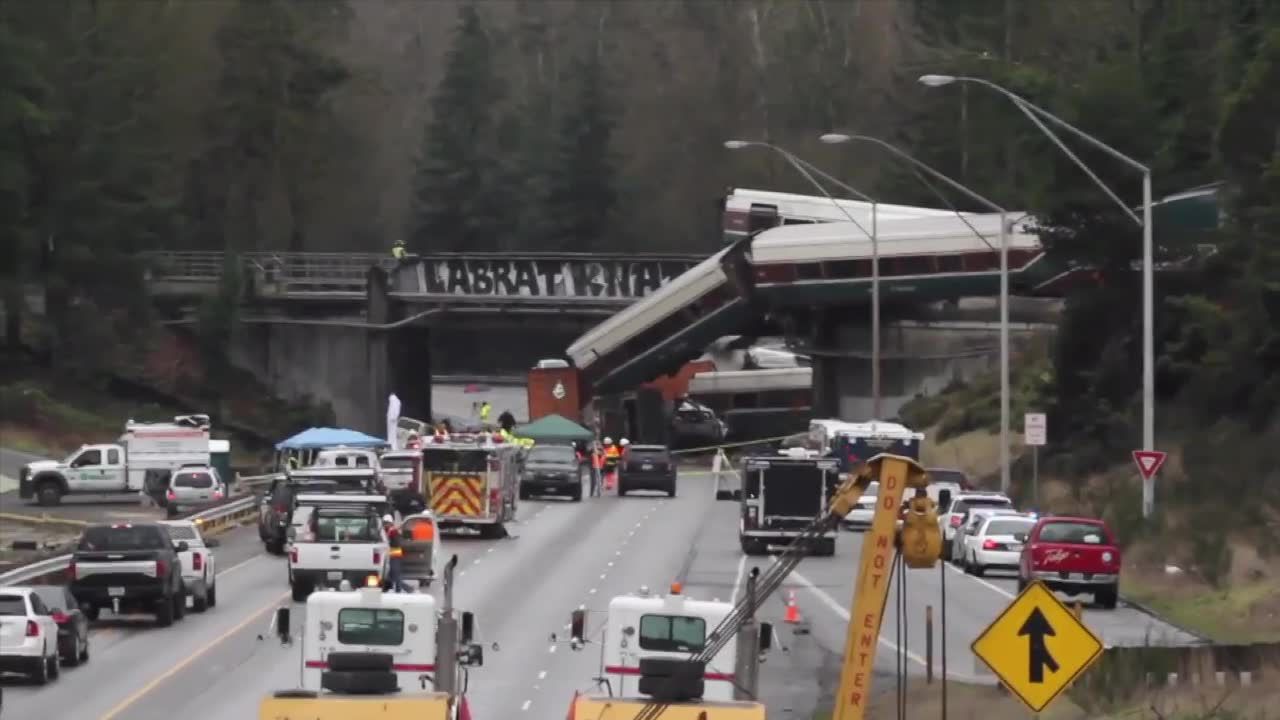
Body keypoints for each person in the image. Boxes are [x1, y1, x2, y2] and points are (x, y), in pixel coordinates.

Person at [383, 515, 410, 593]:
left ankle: (406, 589)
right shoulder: (388, 530)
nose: (385, 524)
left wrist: (389, 544)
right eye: (384, 523)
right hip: (391, 553)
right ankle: (386, 589)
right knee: (390, 574)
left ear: (390, 523)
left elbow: (397, 543)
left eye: (386, 523)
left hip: (395, 553)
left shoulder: (393, 531)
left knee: (395, 573)